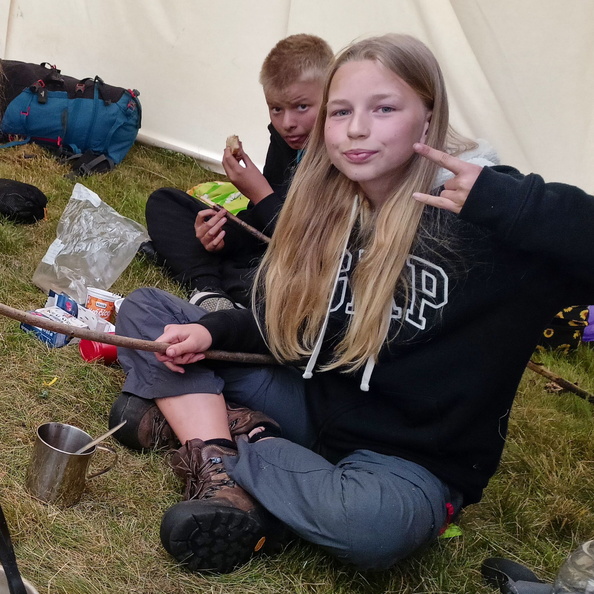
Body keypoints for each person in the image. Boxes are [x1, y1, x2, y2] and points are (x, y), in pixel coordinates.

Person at [111, 33, 594, 575]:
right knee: (148, 312)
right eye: (340, 112)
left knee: (370, 528)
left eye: (383, 109)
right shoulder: (331, 206)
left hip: (404, 462)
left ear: (428, 118)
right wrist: (213, 334)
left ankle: (216, 433)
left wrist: (514, 203)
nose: (357, 129)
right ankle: (227, 461)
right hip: (309, 402)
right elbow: (289, 328)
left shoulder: (492, 228)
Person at [143, 34, 333, 310]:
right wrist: (221, 236)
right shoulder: (284, 139)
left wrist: (260, 193)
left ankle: (207, 278)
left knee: (266, 278)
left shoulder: (343, 154)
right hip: (268, 244)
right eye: (276, 109)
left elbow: (311, 246)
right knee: (165, 203)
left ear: (329, 98)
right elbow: (260, 220)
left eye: (301, 107)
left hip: (304, 261)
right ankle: (209, 292)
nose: (287, 123)